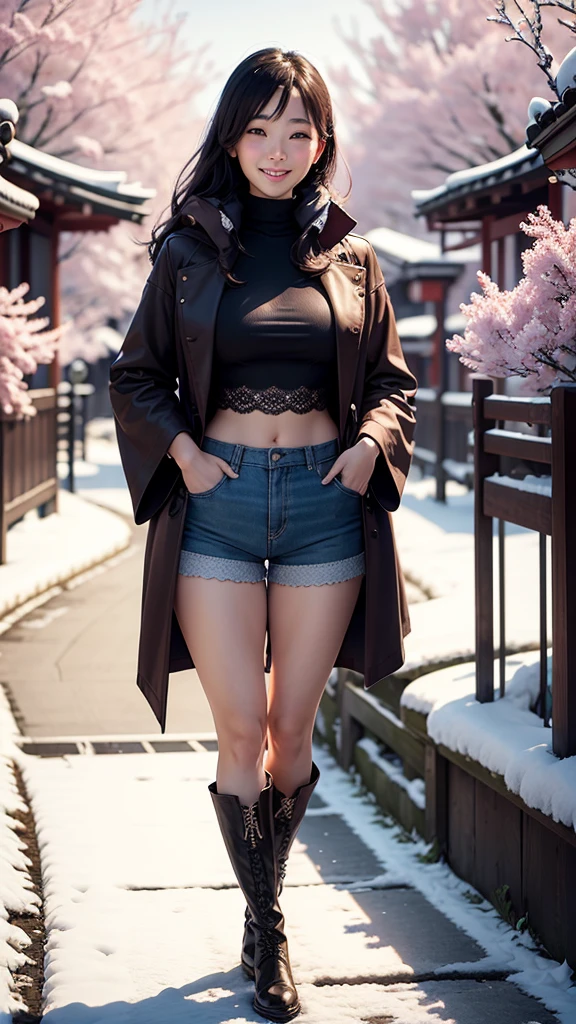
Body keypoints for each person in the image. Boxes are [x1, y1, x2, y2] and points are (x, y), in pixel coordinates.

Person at [109, 47, 417, 1023]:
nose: (278, 151)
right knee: (239, 727)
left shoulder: (355, 258)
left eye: (298, 130)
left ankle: (260, 901)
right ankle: (268, 920)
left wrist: (372, 442)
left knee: (290, 734)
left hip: (327, 502)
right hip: (223, 508)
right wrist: (189, 457)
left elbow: (394, 383)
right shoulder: (191, 252)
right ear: (232, 139)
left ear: (320, 140)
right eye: (258, 130)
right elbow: (135, 376)